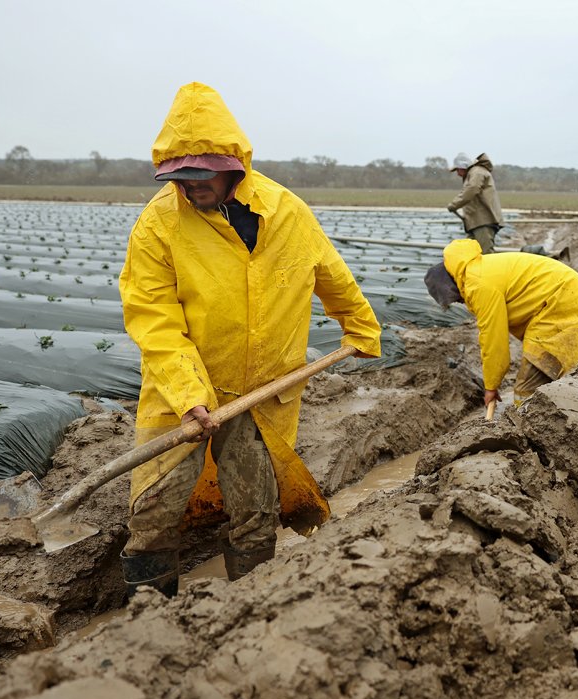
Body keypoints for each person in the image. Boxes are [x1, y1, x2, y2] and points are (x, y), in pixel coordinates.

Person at [118, 82, 382, 596]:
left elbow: (329, 273)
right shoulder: (157, 224)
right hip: (182, 391)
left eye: (201, 177)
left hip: (263, 390)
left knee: (255, 508)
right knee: (155, 505)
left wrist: (361, 327)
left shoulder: (286, 212)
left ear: (233, 166)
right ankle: (144, 619)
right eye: (180, 179)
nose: (191, 189)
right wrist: (190, 395)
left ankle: (249, 610)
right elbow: (153, 317)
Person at [424, 238, 578, 408]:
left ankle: (527, 434)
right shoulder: (476, 271)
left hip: (556, 306)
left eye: (455, 299)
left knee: (526, 389)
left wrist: (491, 386)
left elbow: (493, 339)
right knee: (554, 376)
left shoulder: (478, 285)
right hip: (557, 301)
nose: (460, 302)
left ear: (451, 286)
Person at [447, 152, 503, 254]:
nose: (457, 173)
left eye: (457, 170)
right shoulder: (473, 173)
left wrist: (454, 204)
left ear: (463, 167)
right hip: (477, 222)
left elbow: (472, 190)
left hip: (483, 221)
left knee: (486, 254)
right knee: (470, 253)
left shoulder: (477, 173)